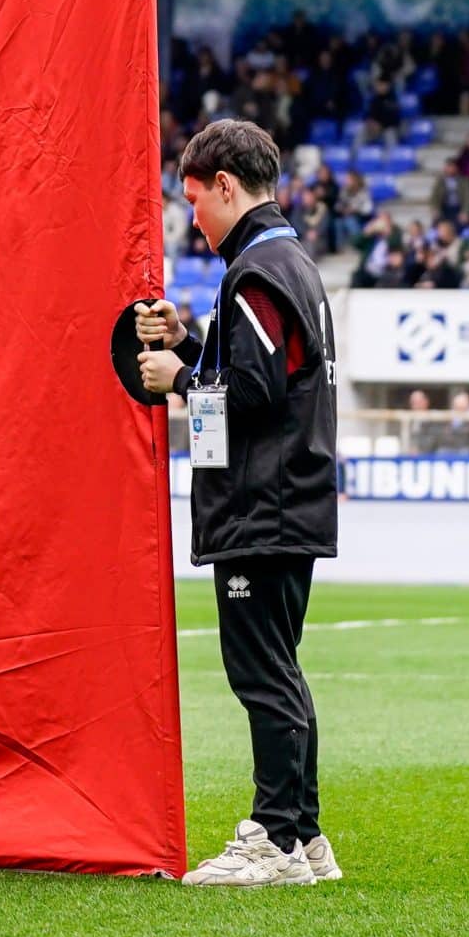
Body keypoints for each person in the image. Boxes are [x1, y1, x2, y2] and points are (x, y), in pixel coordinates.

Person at [134, 118, 341, 887]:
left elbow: (250, 393)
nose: (192, 218)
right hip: (290, 499)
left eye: (194, 200)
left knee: (260, 673)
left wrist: (177, 381)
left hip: (265, 502)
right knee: (279, 668)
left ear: (227, 187)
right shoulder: (291, 264)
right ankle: (305, 835)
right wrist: (190, 345)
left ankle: (275, 838)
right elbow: (263, 371)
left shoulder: (254, 273)